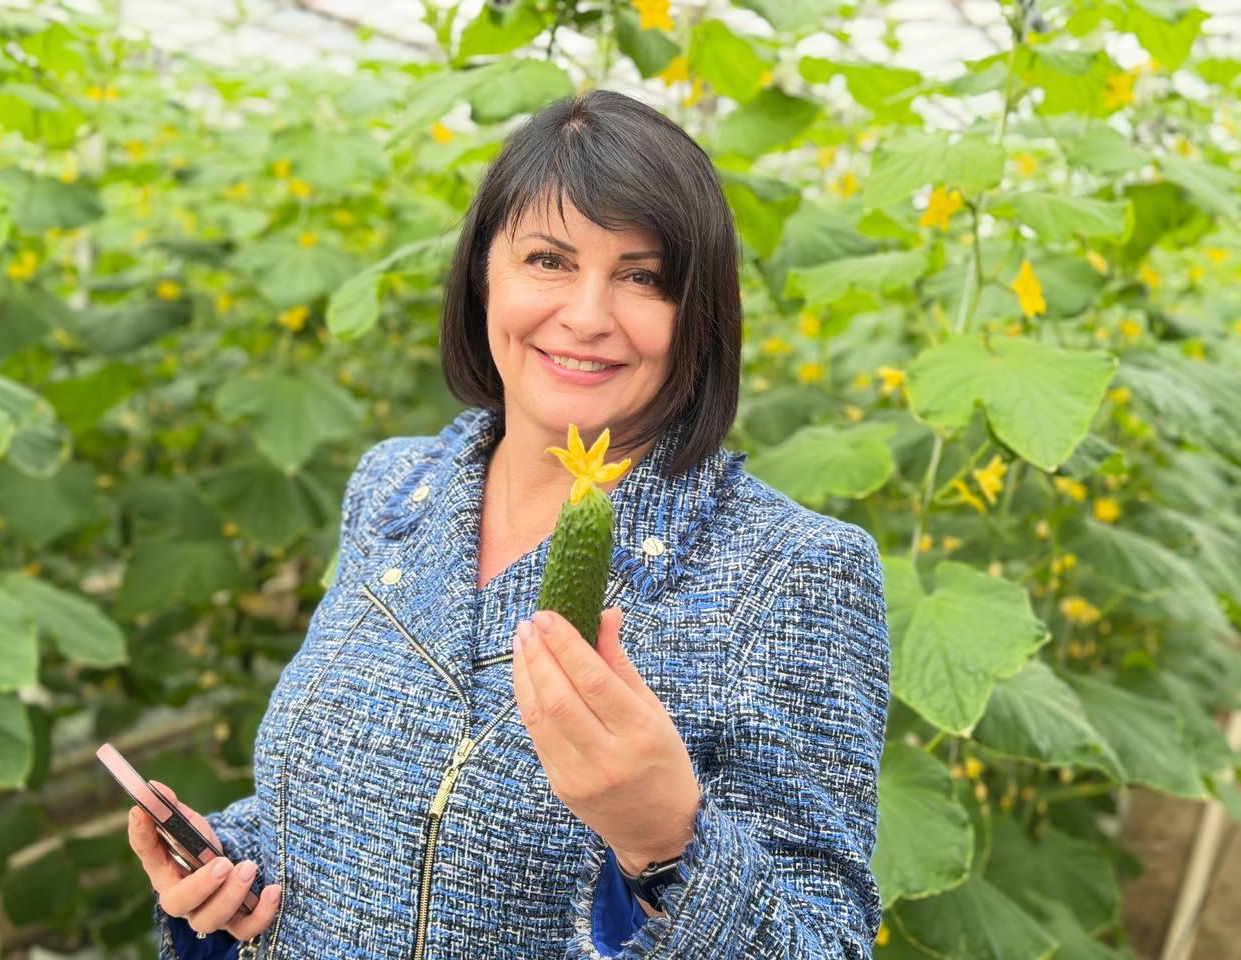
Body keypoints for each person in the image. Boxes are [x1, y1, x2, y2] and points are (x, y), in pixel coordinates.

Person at [127, 87, 890, 959]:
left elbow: (825, 941)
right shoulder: (394, 486)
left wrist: (666, 839)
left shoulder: (792, 571)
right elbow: (364, 802)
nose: (588, 316)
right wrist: (233, 865)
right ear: (483, 274)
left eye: (642, 277)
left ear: (698, 314)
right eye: (548, 260)